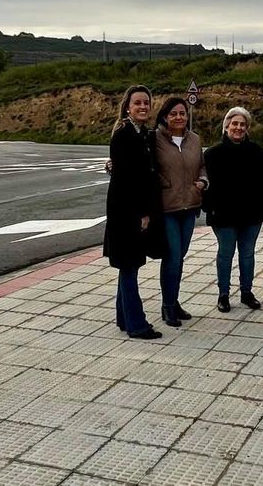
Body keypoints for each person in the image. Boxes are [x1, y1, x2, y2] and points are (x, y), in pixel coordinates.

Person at [103, 85, 163, 340]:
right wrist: (142, 213)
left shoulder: (143, 134)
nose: (142, 107)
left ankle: (123, 317)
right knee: (129, 265)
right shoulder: (123, 135)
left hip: (131, 210)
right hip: (126, 211)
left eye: (146, 103)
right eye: (137, 102)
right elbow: (127, 179)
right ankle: (136, 324)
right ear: (127, 106)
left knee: (129, 266)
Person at [203, 107, 263, 312]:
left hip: (251, 216)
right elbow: (204, 184)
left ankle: (247, 292)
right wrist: (210, 208)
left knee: (247, 255)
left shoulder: (257, 152)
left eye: (242, 124)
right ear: (226, 126)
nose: (238, 127)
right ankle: (223, 294)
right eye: (234, 123)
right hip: (223, 216)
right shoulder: (212, 154)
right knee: (225, 254)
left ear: (247, 128)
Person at [153, 97, 207, 328]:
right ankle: (167, 305)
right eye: (173, 113)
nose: (178, 117)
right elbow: (144, 163)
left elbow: (202, 166)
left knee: (180, 257)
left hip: (190, 206)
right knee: (172, 257)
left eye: (182, 113)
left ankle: (174, 301)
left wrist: (203, 181)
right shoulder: (154, 138)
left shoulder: (194, 139)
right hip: (167, 207)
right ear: (165, 116)